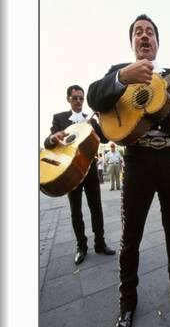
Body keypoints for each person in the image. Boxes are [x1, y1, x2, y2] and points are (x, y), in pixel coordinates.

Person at [88, 14, 170, 327]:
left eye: (150, 33)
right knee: (131, 237)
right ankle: (127, 301)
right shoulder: (120, 71)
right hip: (138, 163)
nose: (144, 36)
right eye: (138, 33)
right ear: (132, 43)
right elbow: (94, 97)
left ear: (157, 43)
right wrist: (121, 77)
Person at [44, 85, 116, 264]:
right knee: (75, 211)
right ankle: (81, 247)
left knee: (96, 208)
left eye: (81, 98)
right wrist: (54, 138)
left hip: (90, 170)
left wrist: (101, 121)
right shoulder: (59, 118)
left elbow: (105, 138)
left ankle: (100, 243)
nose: (78, 101)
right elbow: (48, 143)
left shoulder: (89, 119)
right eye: (75, 98)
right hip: (70, 172)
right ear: (68, 98)